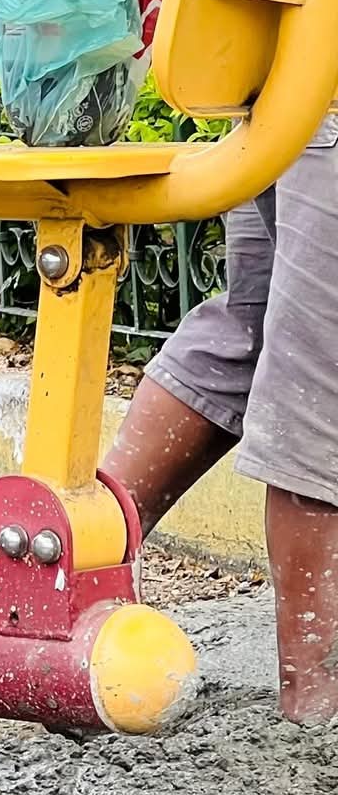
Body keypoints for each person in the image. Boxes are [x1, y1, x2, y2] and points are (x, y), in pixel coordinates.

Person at [103, 129, 338, 724]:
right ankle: (316, 702)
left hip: (291, 110)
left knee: (251, 331)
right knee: (321, 368)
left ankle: (73, 580)